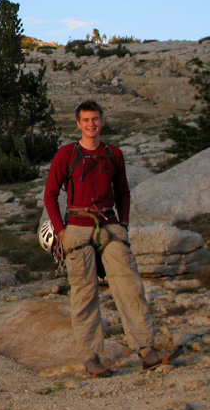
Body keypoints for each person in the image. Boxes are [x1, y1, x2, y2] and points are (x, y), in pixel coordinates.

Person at [43, 99, 177, 377]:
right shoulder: (66, 154)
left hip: (110, 226)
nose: (91, 124)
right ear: (78, 124)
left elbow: (124, 192)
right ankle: (91, 358)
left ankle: (146, 350)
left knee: (130, 287)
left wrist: (124, 224)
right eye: (86, 120)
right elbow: (51, 194)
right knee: (84, 293)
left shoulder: (113, 154)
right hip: (77, 228)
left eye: (95, 119)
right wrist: (61, 230)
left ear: (102, 121)